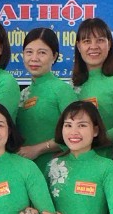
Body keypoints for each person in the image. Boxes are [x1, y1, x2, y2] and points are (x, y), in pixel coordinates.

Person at [16, 28, 75, 174]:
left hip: (56, 169)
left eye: (42, 53)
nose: (34, 58)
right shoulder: (22, 94)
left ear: (54, 56)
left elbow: (76, 133)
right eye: (29, 52)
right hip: (25, 170)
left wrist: (38, 149)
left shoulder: (62, 90)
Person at [72, 18, 113, 149]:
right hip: (76, 154)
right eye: (87, 41)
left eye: (100, 40)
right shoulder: (72, 84)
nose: (93, 46)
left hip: (109, 155)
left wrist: (92, 142)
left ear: (110, 44)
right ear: (79, 46)